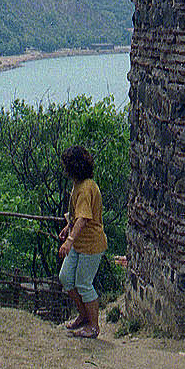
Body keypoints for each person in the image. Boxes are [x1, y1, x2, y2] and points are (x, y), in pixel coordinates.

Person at [57, 144, 107, 339]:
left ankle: (93, 326)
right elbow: (78, 215)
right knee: (67, 278)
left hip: (91, 245)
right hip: (80, 243)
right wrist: (68, 227)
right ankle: (84, 316)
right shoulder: (80, 184)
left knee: (84, 283)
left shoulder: (85, 188)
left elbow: (84, 218)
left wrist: (69, 240)